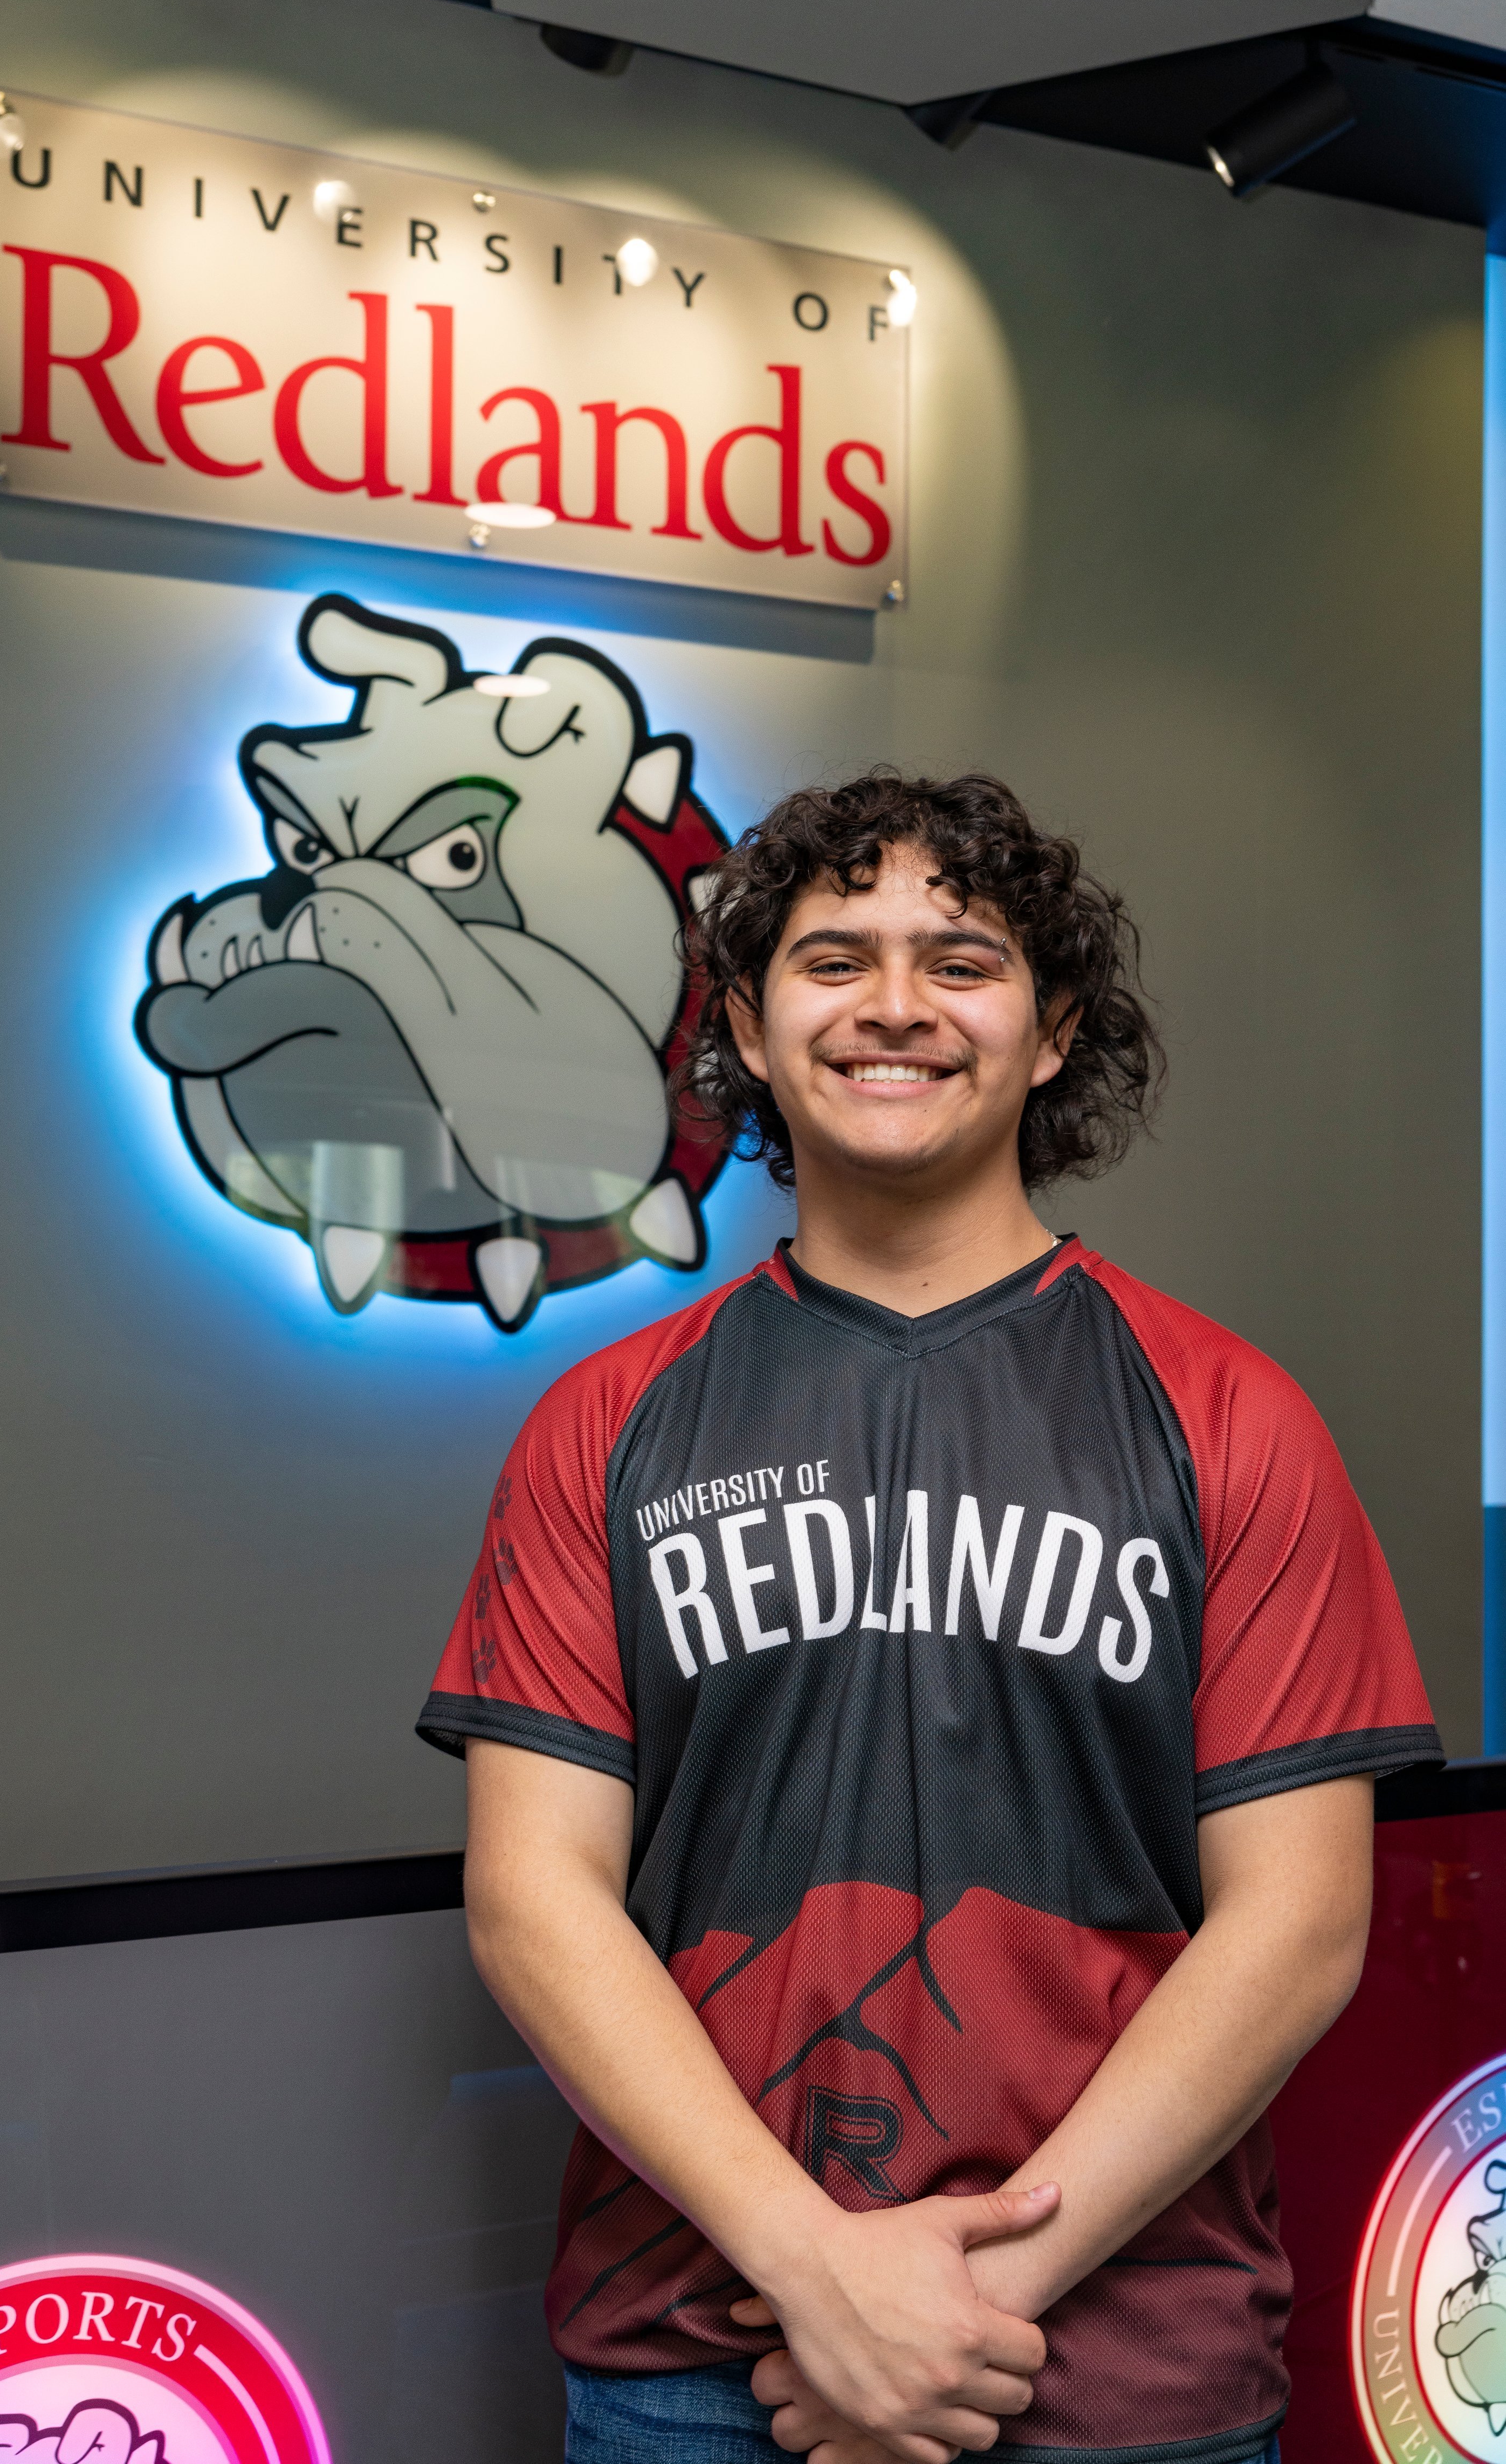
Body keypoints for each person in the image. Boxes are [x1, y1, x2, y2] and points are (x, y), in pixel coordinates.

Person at [416, 771, 1441, 2464]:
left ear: (1049, 1039)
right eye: (834, 960)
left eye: (959, 960)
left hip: (1124, 2370)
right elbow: (535, 1897)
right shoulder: (604, 1423)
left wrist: (947, 2311)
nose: (895, 1005)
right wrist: (816, 2272)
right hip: (702, 2362)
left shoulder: (1229, 1416)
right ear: (747, 1027)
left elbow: (1298, 1926)